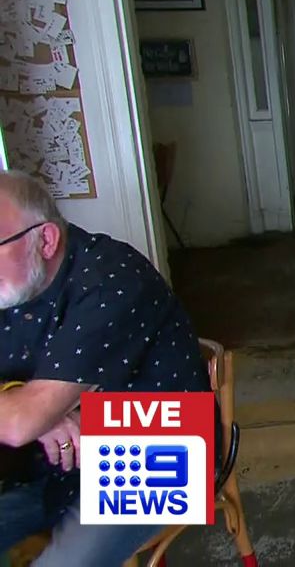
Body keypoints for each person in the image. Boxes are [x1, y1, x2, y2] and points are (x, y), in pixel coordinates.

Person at [0, 170, 210, 564]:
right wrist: (23, 403)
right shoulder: (14, 284)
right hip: (54, 458)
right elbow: (23, 420)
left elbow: (21, 424)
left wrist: (31, 414)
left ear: (45, 240)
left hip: (155, 451)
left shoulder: (112, 278)